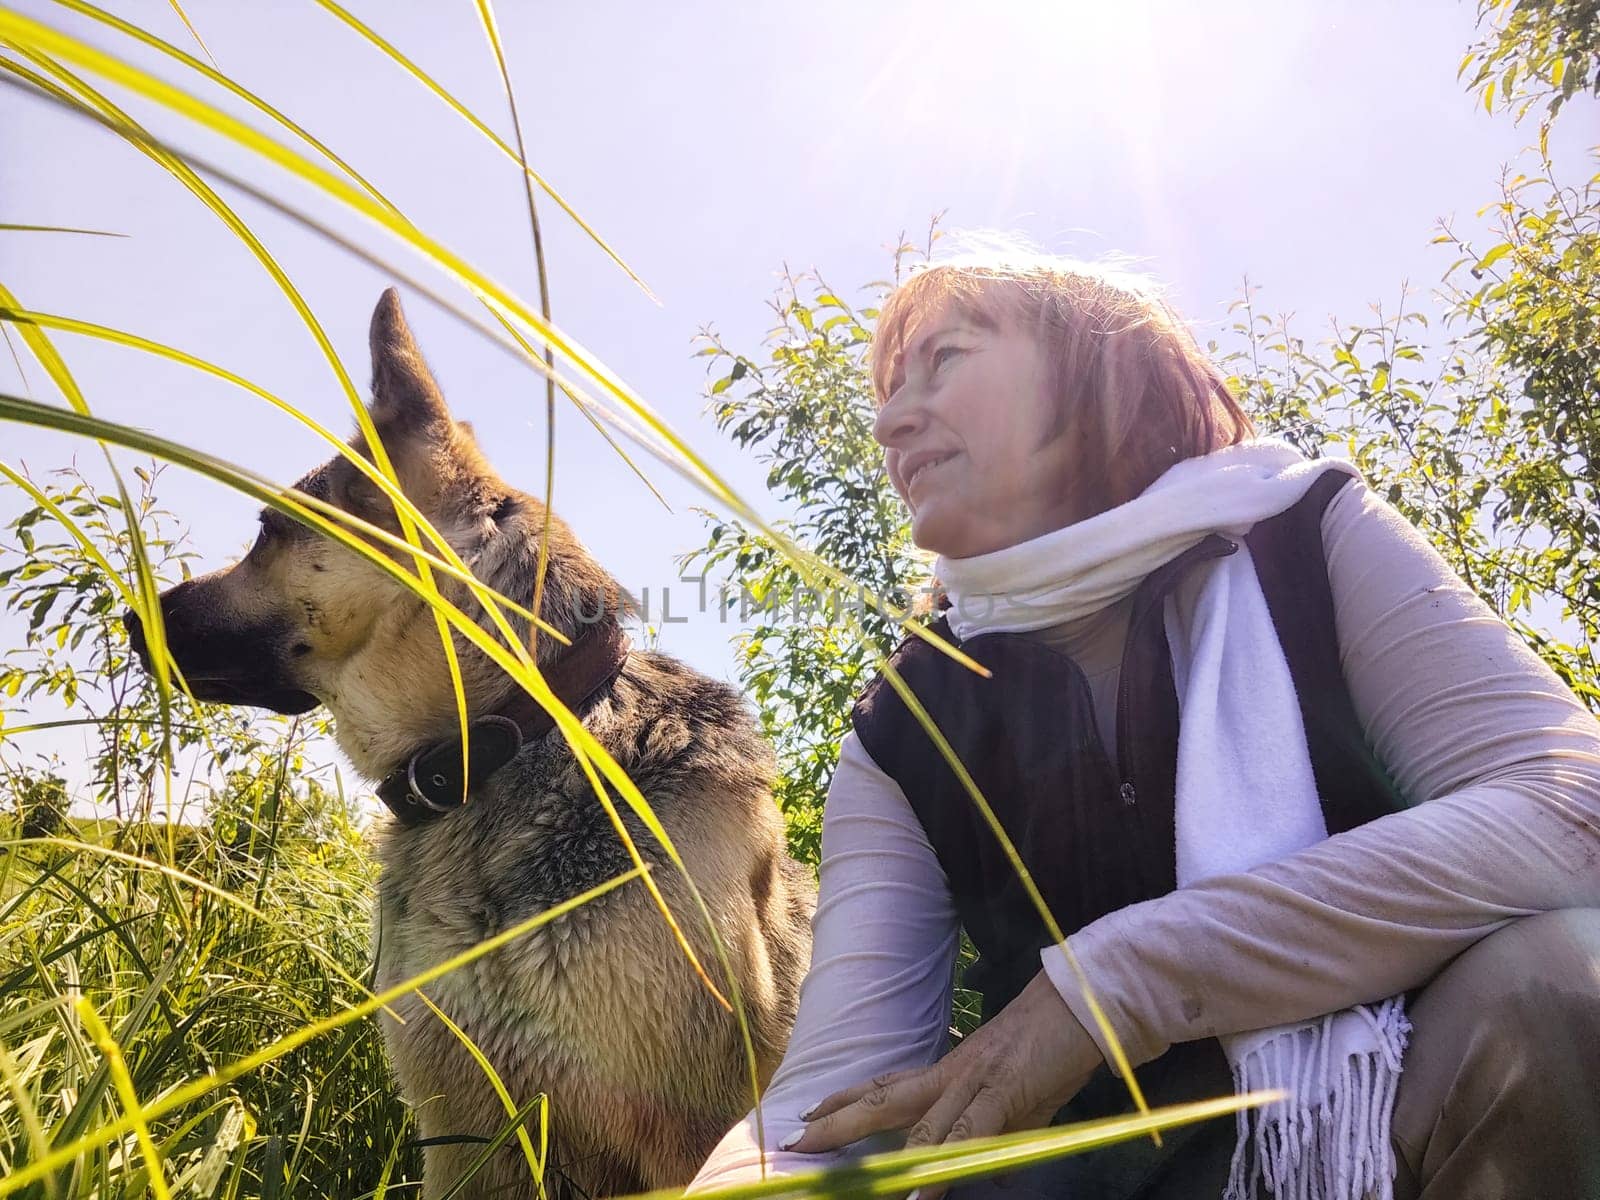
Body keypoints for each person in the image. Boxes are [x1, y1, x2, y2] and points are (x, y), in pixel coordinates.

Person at [687, 250, 1600, 1200]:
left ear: (1093, 368)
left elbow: (1574, 809)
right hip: (1086, 1179)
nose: (891, 420)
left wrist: (1120, 984)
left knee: (1560, 978)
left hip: (1389, 1128)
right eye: (886, 390)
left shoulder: (1306, 536)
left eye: (944, 358)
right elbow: (830, 1095)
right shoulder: (903, 729)